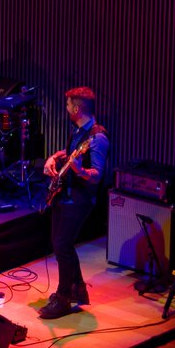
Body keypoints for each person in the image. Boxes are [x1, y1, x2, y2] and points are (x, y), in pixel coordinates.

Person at [38, 87, 108, 320]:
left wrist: (79, 170)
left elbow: (97, 175)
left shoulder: (98, 139)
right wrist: (54, 157)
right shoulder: (80, 131)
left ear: (77, 108)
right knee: (61, 245)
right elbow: (69, 152)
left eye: (68, 105)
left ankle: (64, 297)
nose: (66, 108)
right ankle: (79, 289)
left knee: (62, 245)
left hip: (80, 200)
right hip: (65, 195)